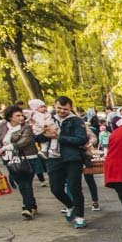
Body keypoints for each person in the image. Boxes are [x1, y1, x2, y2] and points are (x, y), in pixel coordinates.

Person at [38, 96, 89, 228]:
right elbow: (36, 137)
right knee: (55, 188)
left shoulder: (76, 121)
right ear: (54, 106)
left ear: (70, 108)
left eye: (65, 109)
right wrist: (44, 135)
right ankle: (70, 205)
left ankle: (80, 216)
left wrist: (60, 137)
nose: (61, 111)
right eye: (59, 108)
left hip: (72, 158)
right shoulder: (47, 119)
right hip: (53, 158)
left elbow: (81, 139)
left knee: (74, 187)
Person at [0, 106, 40, 218]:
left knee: (25, 182)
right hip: (9, 159)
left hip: (27, 158)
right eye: (17, 116)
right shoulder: (0, 126)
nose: (21, 117)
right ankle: (32, 205)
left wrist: (5, 148)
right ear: (9, 117)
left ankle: (28, 207)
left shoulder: (26, 127)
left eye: (21, 115)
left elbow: (25, 141)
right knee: (22, 183)